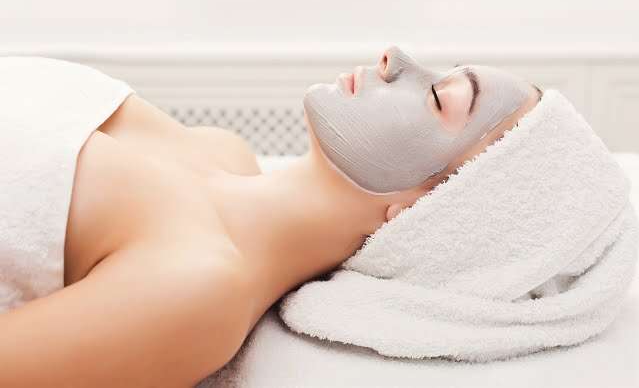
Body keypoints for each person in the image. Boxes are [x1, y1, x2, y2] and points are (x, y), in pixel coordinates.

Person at [0, 46, 541, 386]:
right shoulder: (219, 150)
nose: (394, 58)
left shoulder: (199, 291)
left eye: (441, 97)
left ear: (422, 213)